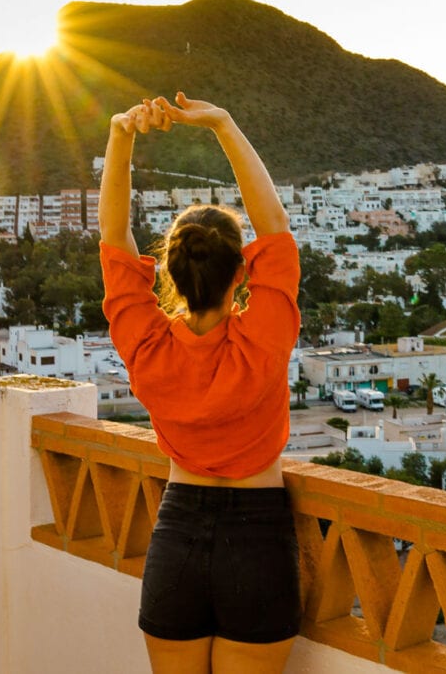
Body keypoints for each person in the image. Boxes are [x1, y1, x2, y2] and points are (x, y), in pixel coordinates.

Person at [98, 91, 302, 674]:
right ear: (242, 272)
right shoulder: (262, 341)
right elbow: (275, 226)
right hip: (258, 537)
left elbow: (114, 240)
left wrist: (121, 135)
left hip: (177, 535)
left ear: (169, 270)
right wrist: (223, 123)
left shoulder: (147, 347)